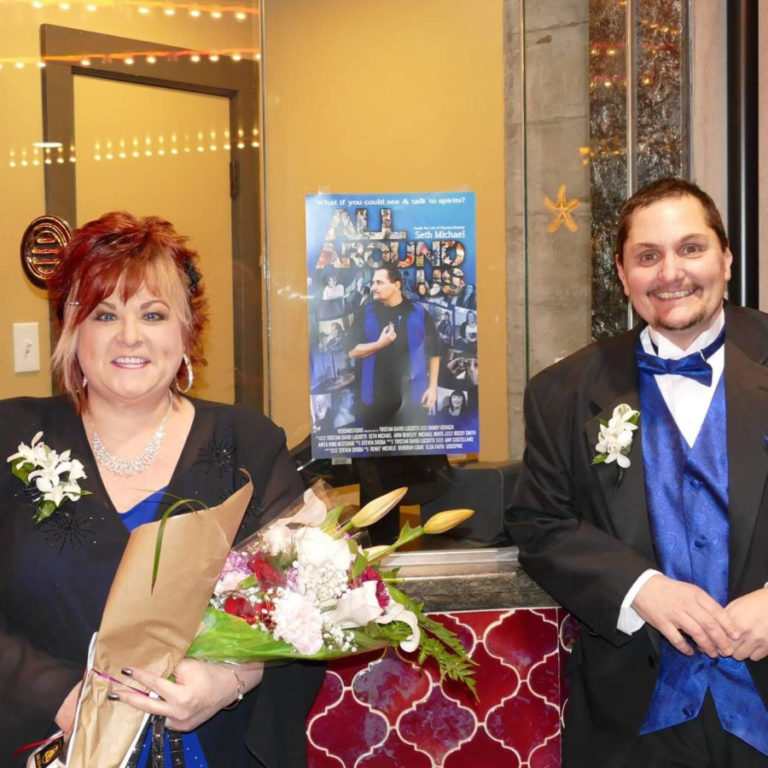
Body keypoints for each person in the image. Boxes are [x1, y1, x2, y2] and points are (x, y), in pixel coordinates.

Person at [0, 212, 324, 768]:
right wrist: (58, 696)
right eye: (105, 314)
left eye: (153, 314)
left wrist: (229, 679)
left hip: (212, 749)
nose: (130, 336)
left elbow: (301, 602)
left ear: (185, 331)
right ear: (73, 330)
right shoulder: (10, 437)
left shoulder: (248, 442)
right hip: (48, 745)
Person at [506, 178, 768, 768]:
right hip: (633, 717)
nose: (670, 272)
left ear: (726, 258)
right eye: (647, 257)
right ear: (623, 276)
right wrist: (640, 588)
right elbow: (539, 522)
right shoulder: (561, 392)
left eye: (691, 248)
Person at [347, 264, 440, 427]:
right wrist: (380, 344)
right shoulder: (364, 313)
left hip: (413, 401)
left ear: (396, 285)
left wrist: (432, 388)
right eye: (373, 283)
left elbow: (435, 351)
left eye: (379, 282)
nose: (373, 287)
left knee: (415, 451)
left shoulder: (418, 312)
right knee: (376, 450)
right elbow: (351, 351)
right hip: (374, 402)